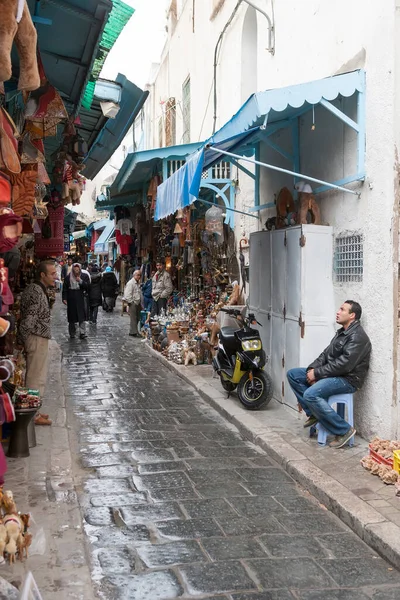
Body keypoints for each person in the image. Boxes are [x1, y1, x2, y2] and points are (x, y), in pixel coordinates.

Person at [287, 300, 372, 449]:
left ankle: (344, 430)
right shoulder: (342, 332)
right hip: (334, 374)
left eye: (342, 309)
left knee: (311, 395)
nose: (338, 312)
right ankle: (313, 413)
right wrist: (311, 370)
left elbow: (345, 365)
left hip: (348, 379)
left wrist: (318, 374)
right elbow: (325, 355)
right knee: (293, 374)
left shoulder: (358, 337)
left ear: (352, 315)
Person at [18, 260, 57, 426]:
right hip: (35, 337)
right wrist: (22, 338)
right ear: (43, 275)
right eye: (52, 274)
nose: (55, 277)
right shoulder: (35, 291)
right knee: (35, 376)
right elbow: (29, 319)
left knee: (37, 374)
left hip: (37, 336)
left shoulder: (38, 289)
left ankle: (35, 410)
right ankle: (32, 414)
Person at [62, 263, 90, 339]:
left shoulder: (84, 276)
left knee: (81, 316)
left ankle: (82, 332)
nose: (76, 270)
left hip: (81, 297)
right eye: (75, 269)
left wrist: (81, 281)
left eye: (78, 269)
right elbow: (65, 289)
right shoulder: (68, 278)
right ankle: (72, 333)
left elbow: (88, 287)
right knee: (72, 317)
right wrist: (64, 298)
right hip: (71, 298)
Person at [123, 270, 142, 337]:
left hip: (137, 302)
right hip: (133, 303)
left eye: (140, 275)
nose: (139, 276)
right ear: (134, 275)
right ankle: (134, 332)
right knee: (133, 318)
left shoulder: (137, 282)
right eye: (137, 275)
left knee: (137, 318)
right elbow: (127, 294)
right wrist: (131, 302)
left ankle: (132, 331)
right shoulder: (131, 283)